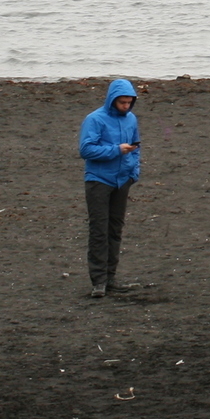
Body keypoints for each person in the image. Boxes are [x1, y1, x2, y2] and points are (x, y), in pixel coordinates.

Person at [78, 78, 142, 298]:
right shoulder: (95, 119)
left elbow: (136, 146)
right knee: (99, 230)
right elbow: (86, 150)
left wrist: (133, 173)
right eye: (122, 102)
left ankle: (111, 278)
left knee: (115, 230)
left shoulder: (131, 119)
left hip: (122, 181)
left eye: (129, 102)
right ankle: (98, 281)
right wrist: (116, 150)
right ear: (112, 100)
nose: (126, 106)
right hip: (98, 180)